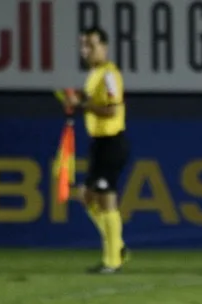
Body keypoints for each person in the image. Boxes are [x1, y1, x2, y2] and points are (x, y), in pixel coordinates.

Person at [63, 26, 130, 274]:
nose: (86, 50)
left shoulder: (110, 74)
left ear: (105, 46)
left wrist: (81, 104)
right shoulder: (94, 74)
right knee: (86, 197)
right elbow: (91, 101)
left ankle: (112, 261)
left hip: (112, 142)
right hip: (99, 143)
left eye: (91, 45)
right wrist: (75, 101)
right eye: (83, 45)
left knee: (106, 199)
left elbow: (112, 109)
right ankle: (118, 246)